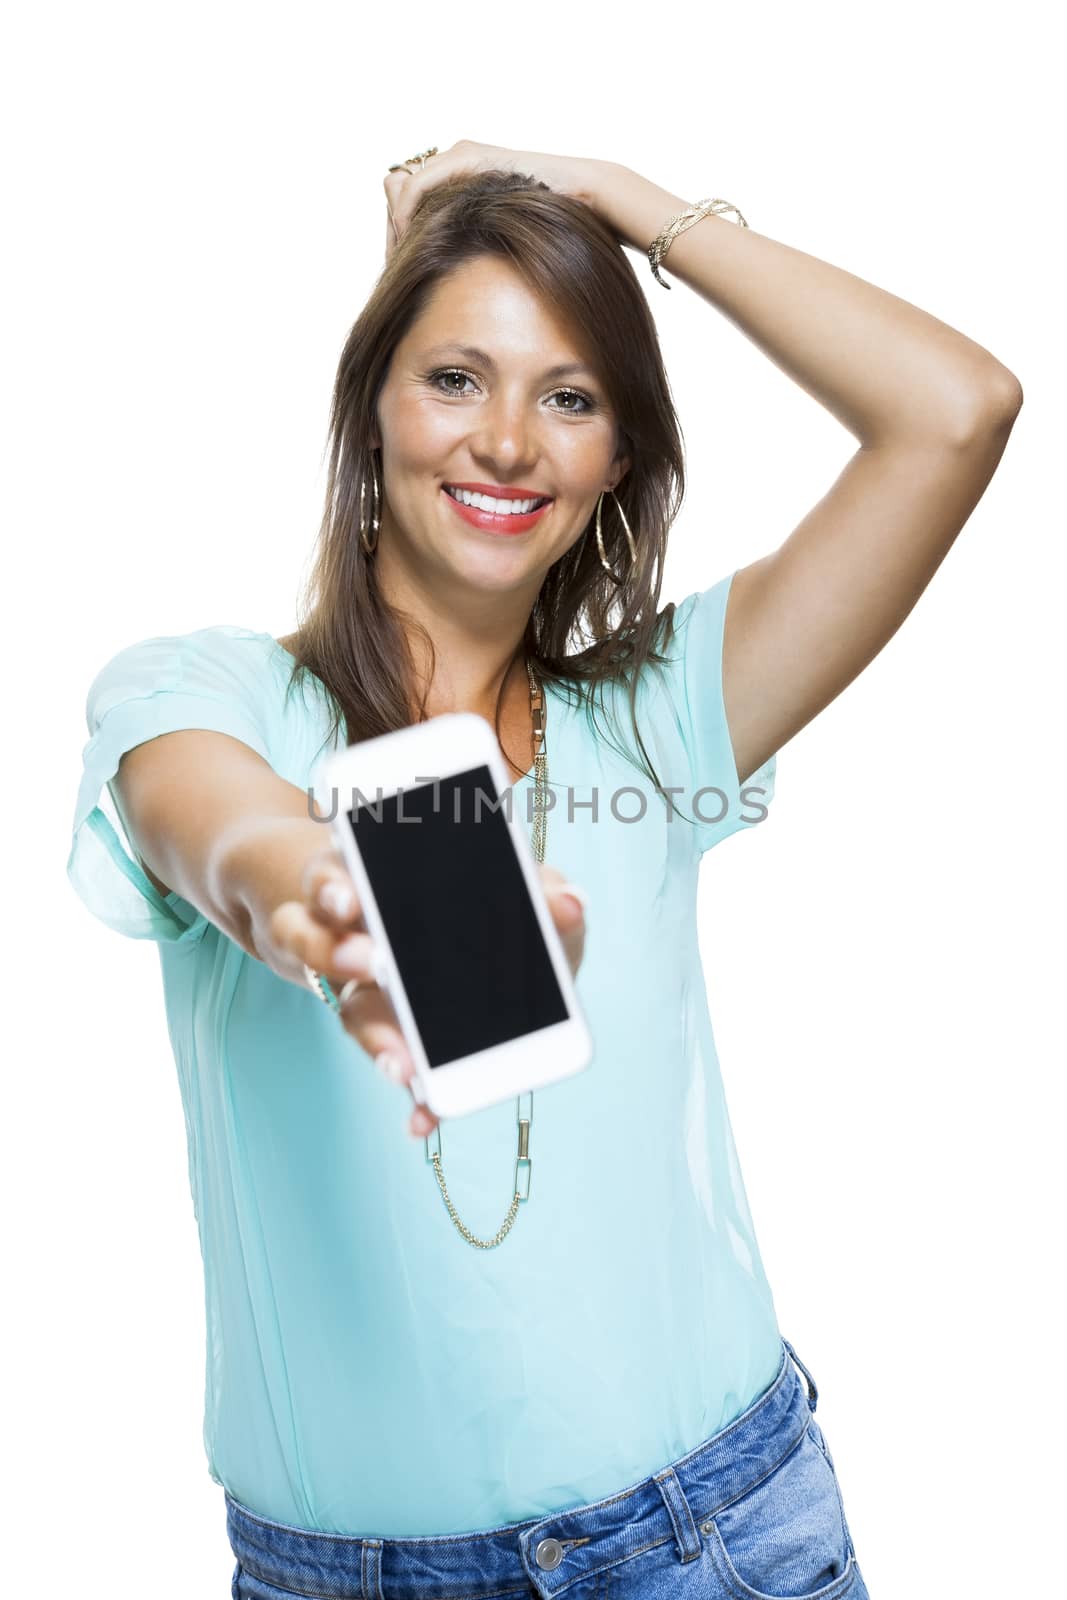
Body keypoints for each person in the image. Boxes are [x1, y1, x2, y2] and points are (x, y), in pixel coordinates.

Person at [66, 140, 1021, 1598]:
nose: (507, 441)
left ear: (614, 457)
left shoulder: (655, 720)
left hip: (720, 1539)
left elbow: (955, 412)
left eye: (567, 397)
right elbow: (226, 829)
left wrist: (624, 201)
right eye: (454, 377)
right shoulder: (212, 690)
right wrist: (329, 907)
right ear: (370, 408)